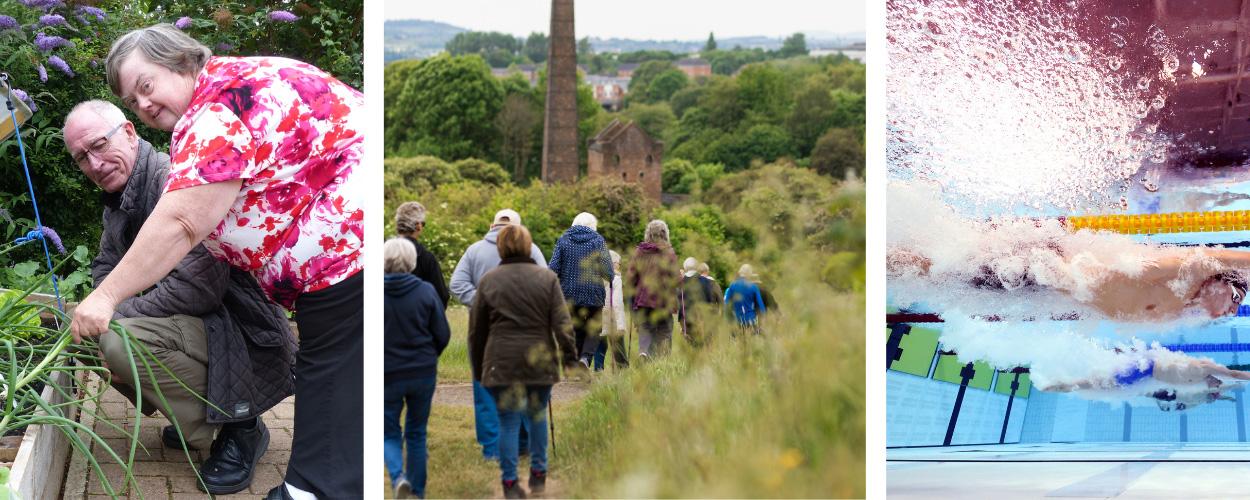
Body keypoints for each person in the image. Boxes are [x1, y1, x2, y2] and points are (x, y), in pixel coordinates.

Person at [74, 24, 364, 499]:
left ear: (182, 61)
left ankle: (301, 479)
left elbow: (184, 224)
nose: (144, 105)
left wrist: (107, 301)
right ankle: (314, 483)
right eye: (133, 99)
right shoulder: (223, 95)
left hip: (345, 250)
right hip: (338, 258)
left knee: (333, 375)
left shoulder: (217, 109)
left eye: (146, 86)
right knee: (339, 374)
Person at [64, 100, 296, 495]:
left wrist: (115, 313)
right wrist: (105, 306)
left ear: (130, 133)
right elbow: (106, 267)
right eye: (82, 157)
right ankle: (197, 415)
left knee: (119, 339)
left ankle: (239, 428)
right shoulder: (120, 202)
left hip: (241, 328)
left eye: (99, 145)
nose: (94, 163)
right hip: (198, 323)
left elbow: (197, 288)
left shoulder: (176, 182)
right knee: (85, 330)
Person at [469, 224, 578, 499]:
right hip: (538, 360)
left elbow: (476, 332)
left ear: (501, 247)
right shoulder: (547, 278)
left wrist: (479, 368)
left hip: (501, 360)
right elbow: (562, 324)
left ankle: (509, 483)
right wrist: (568, 357)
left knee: (507, 422)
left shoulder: (489, 281)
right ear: (529, 246)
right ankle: (539, 475)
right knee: (537, 414)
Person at [888, 243, 1250, 322]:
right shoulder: (1181, 270)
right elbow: (1231, 260)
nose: (1233, 309)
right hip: (1038, 269)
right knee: (935, 268)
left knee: (937, 278)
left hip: (1045, 290)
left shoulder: (1179, 308)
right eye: (1236, 297)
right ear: (1218, 279)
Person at [449, 209, 546, 462]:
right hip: (522, 327)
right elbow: (545, 283)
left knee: (484, 387)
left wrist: (480, 302)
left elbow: (456, 284)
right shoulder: (532, 250)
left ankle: (492, 448)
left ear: (492, 225)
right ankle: (522, 443)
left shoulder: (474, 250)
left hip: (481, 328)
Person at [384, 238, 451, 499]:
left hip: (387, 373)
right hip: (422, 372)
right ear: (412, 263)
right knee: (416, 432)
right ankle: (418, 492)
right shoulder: (426, 291)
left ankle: (398, 476)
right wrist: (429, 357)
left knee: (388, 430)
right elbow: (442, 333)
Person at [547, 212, 614, 367]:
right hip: (593, 293)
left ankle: (573, 364)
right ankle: (585, 358)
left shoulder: (563, 239)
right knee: (593, 327)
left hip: (568, 294)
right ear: (593, 226)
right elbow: (608, 273)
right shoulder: (598, 241)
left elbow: (553, 268)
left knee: (573, 329)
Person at [625, 220, 680, 358]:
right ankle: (663, 360)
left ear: (648, 234)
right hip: (663, 301)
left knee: (645, 328)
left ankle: (644, 352)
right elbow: (675, 278)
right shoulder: (669, 252)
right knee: (665, 330)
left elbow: (630, 277)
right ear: (665, 234)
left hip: (643, 299)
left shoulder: (639, 252)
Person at [395, 201, 450, 310]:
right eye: (423, 223)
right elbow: (441, 296)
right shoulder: (426, 258)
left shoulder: (383, 251)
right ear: (418, 226)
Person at [594, 249, 628, 371]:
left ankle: (598, 370)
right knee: (618, 344)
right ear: (613, 263)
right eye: (619, 263)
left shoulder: (596, 276)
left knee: (600, 344)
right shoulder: (616, 279)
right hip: (612, 316)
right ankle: (623, 369)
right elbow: (617, 302)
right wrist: (621, 324)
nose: (619, 266)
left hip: (598, 314)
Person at [678, 257, 723, 347]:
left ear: (685, 267)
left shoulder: (681, 283)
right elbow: (710, 302)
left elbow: (681, 305)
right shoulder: (706, 281)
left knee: (692, 348)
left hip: (688, 321)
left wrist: (682, 325)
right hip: (703, 321)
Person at [725, 264, 768, 336]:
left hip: (737, 321)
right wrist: (762, 323)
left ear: (740, 273)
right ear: (749, 274)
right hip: (751, 321)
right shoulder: (753, 287)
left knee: (737, 344)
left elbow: (726, 305)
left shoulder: (732, 286)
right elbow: (761, 308)